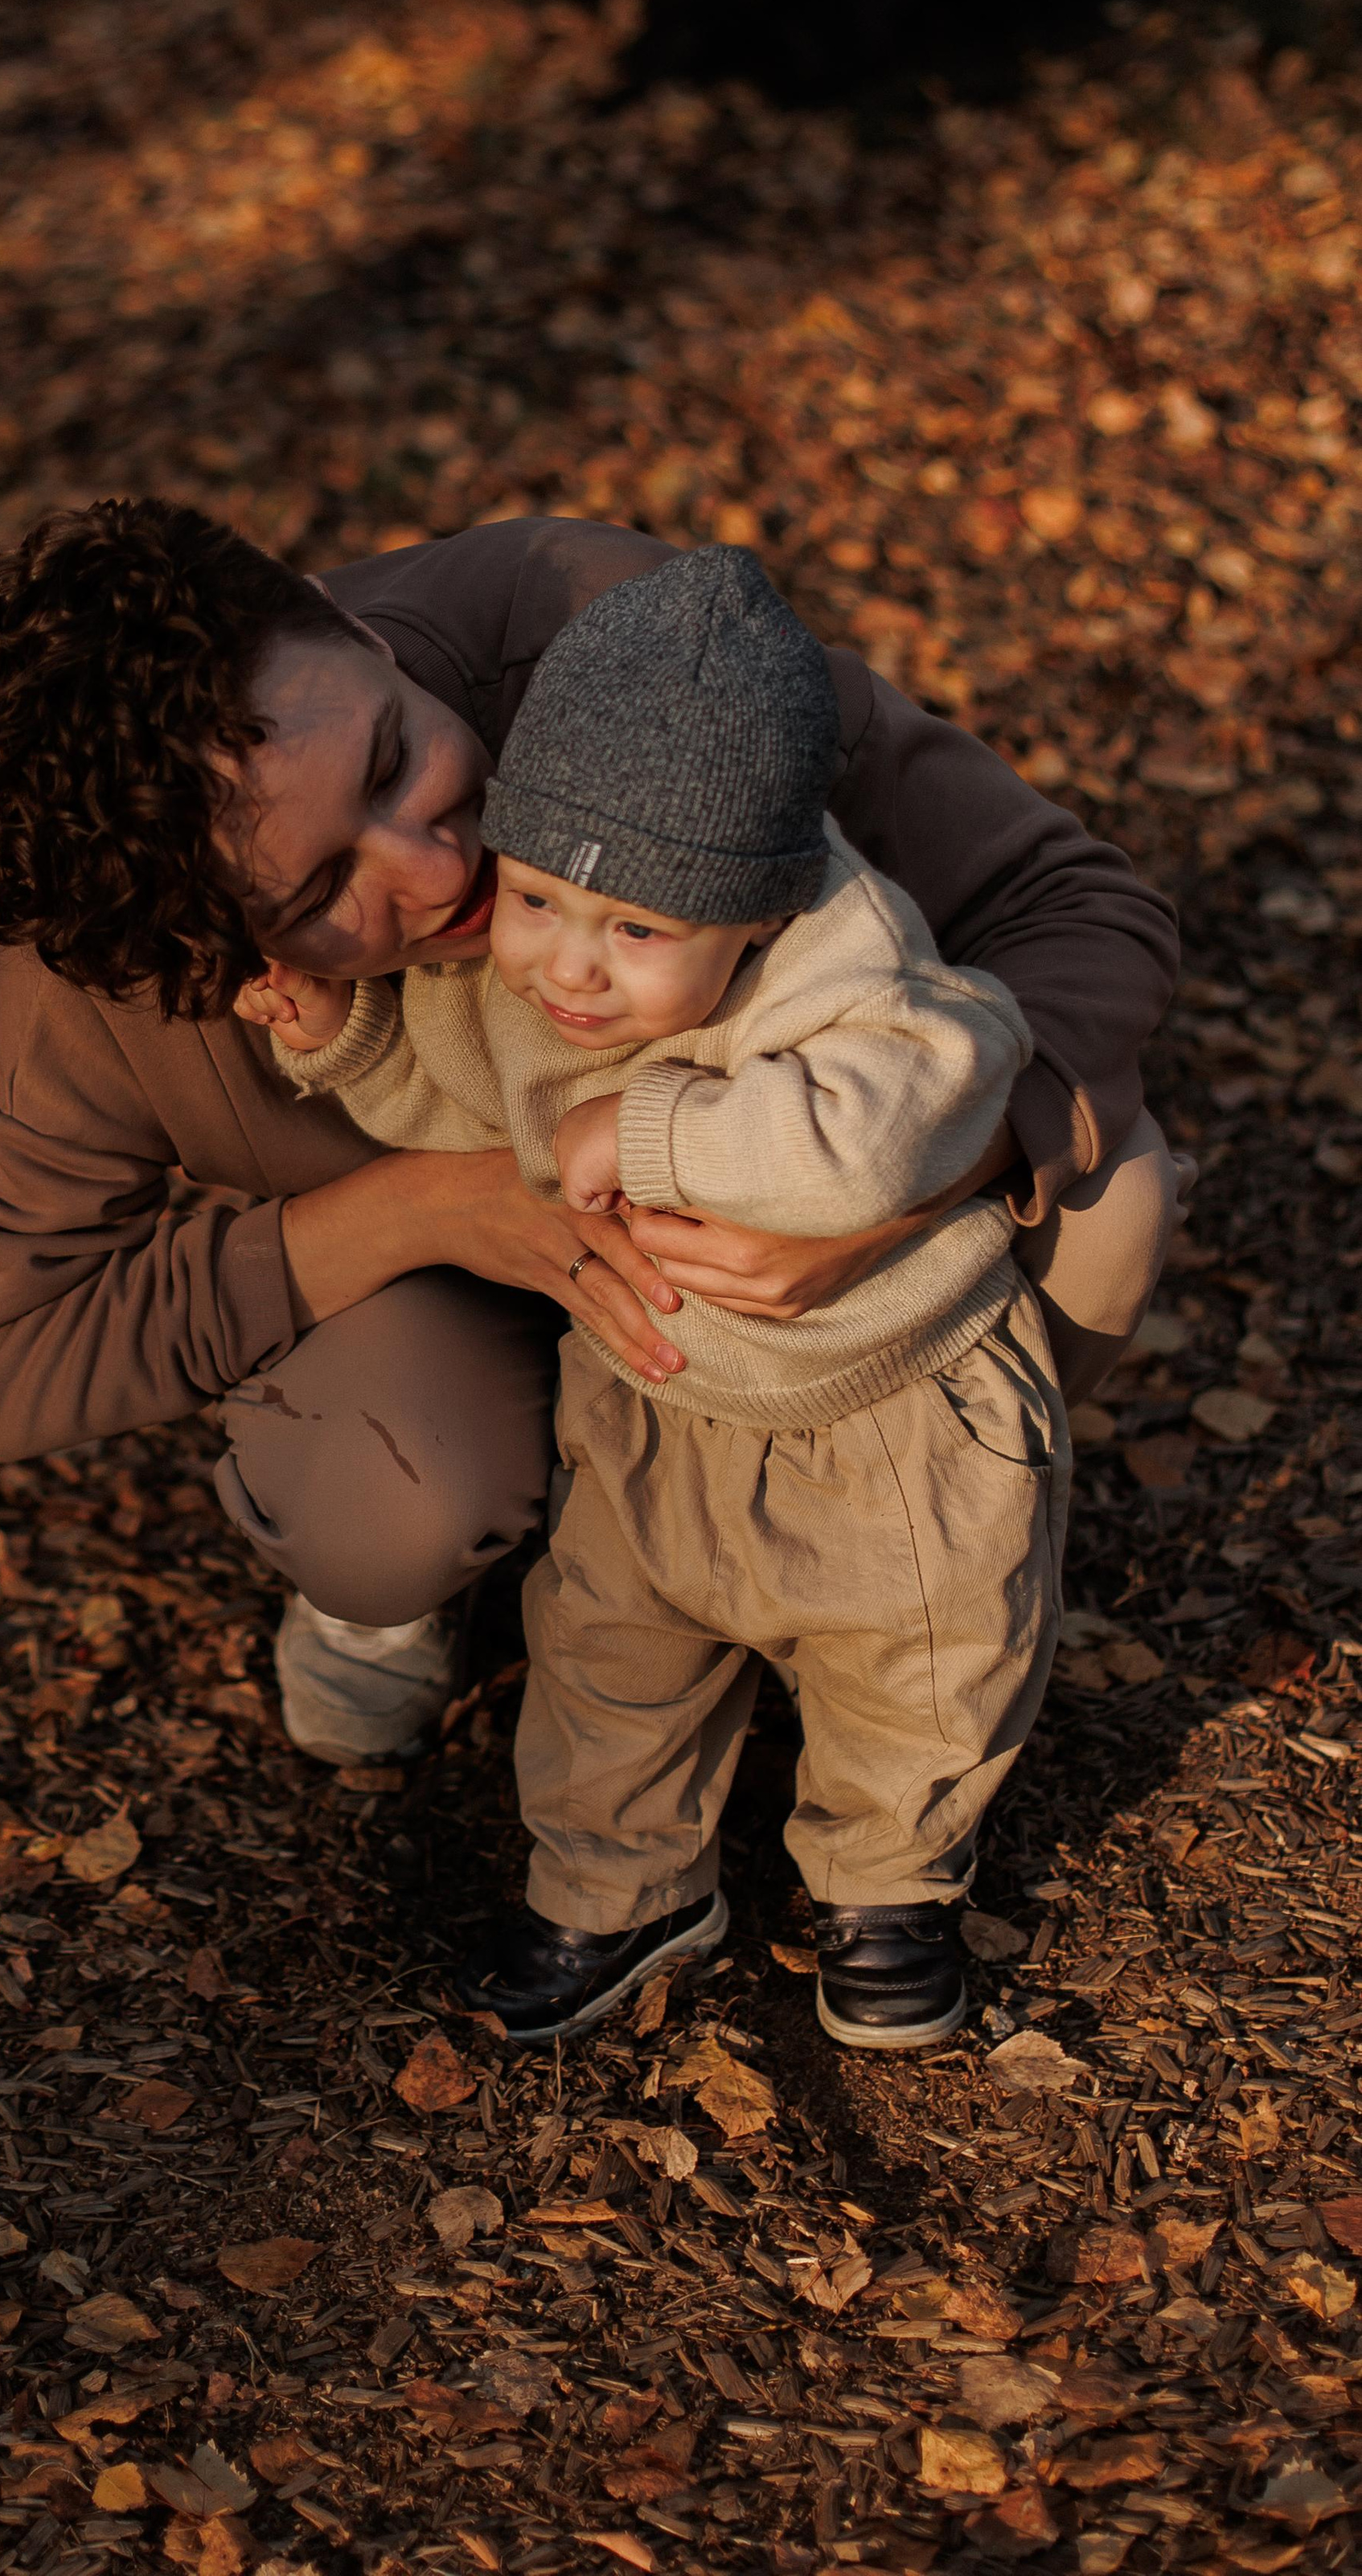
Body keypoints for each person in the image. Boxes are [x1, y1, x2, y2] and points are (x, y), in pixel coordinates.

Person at [0, 498, 1184, 1778]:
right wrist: (430, 1209)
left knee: (1105, 1196)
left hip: (766, 1196)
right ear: (212, 957)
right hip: (434, 1315)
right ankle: (430, 1581)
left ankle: (891, 1533)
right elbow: (2, 1363)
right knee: (389, 1504)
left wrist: (901, 1194)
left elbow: (1075, 906)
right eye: (322, 891)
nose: (435, 869)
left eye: (393, 759)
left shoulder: (622, 643)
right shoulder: (115, 972)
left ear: (358, 632)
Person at [252, 551, 1065, 2050]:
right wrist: (345, 1043)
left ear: (753, 917)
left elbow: (880, 1125)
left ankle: (890, 1886)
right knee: (606, 1660)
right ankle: (616, 1889)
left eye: (637, 932)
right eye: (538, 901)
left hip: (880, 1413)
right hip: (651, 1397)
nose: (570, 968)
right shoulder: (539, 967)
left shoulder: (842, 956)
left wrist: (649, 1130)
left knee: (917, 1668)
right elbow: (475, 1113)